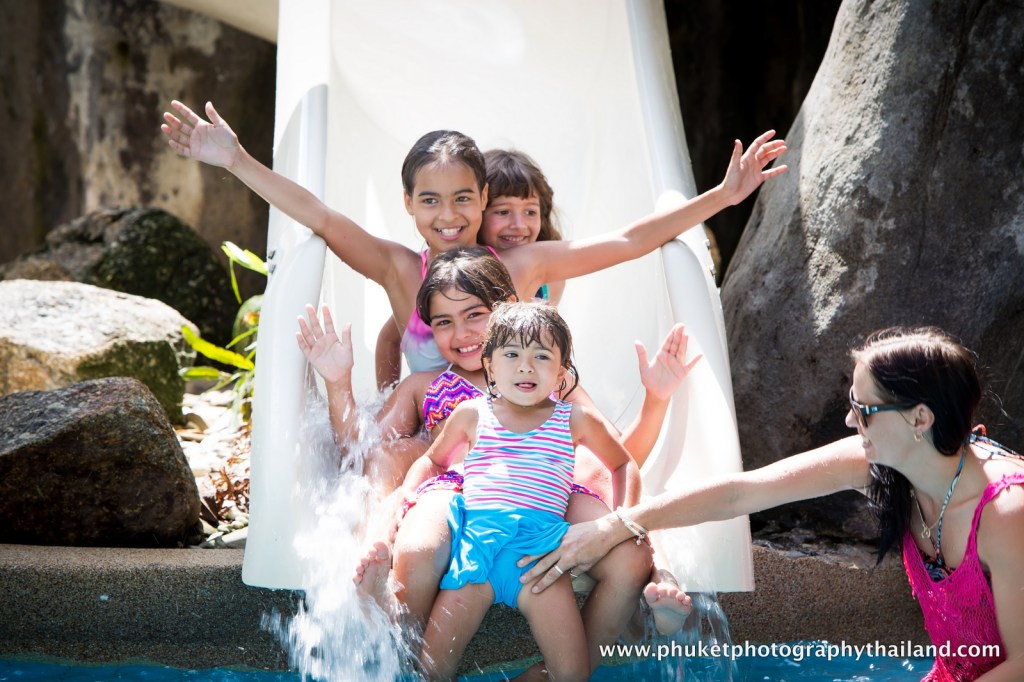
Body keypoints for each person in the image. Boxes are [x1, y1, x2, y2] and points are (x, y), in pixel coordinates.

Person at [519, 326, 1024, 681]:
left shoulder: (1006, 513)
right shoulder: (886, 465)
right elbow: (743, 492)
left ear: (920, 419)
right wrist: (619, 524)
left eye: (864, 411)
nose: (851, 423)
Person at [162, 100, 786, 378]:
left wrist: (722, 197)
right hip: (435, 442)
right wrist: (238, 160)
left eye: (464, 198)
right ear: (407, 204)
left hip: (507, 441)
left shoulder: (520, 265)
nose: (448, 214)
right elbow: (320, 217)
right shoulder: (399, 271)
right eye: (429, 200)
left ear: (483, 200)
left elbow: (627, 240)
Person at [298, 247, 696, 674]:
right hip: (460, 491)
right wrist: (338, 383)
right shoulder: (428, 386)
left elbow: (620, 455)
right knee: (415, 544)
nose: (463, 332)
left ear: (507, 312)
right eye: (444, 322)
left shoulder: (549, 382)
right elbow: (360, 449)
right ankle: (391, 626)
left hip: (546, 493)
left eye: (475, 315)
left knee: (630, 552)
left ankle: (636, 602)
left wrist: (656, 401)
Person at [410, 300, 636, 680]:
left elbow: (622, 462)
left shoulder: (573, 419)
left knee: (572, 675)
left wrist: (626, 518)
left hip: (541, 562)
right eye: (511, 354)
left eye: (542, 356)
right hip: (475, 556)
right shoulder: (472, 413)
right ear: (490, 365)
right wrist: (409, 496)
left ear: (562, 373)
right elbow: (433, 461)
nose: (526, 366)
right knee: (431, 672)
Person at [373, 147, 565, 389]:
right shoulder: (456, 283)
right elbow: (389, 339)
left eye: (530, 212)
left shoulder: (548, 280)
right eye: (503, 212)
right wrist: (389, 397)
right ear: (480, 211)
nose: (518, 225)